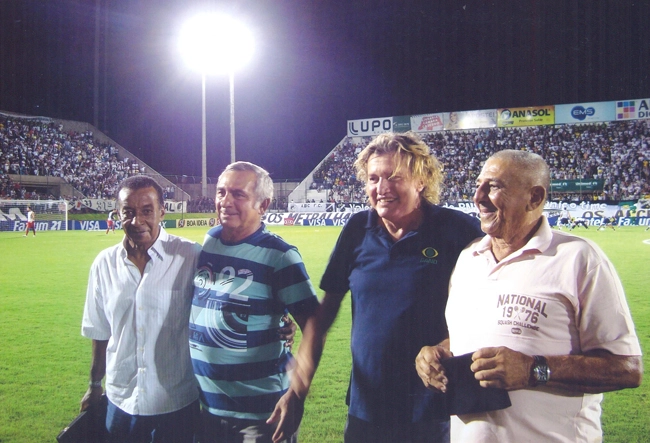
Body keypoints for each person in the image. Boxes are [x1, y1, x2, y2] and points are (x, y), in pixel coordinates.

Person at [416, 150, 642, 442]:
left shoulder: (579, 258)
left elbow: (626, 368)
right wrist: (439, 352)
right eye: (478, 185)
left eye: (494, 186)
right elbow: (470, 334)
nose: (478, 197)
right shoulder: (469, 257)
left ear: (534, 197)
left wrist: (534, 369)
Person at [292, 132, 483, 443]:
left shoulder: (458, 231)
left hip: (432, 409)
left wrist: (446, 345)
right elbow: (327, 310)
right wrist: (299, 381)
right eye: (373, 178)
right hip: (366, 411)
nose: (381, 189)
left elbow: (485, 309)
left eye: (394, 177)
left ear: (421, 180)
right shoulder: (356, 229)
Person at [189, 161, 319, 443]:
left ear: (264, 204)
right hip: (206, 410)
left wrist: (296, 394)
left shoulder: (281, 256)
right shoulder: (210, 241)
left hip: (262, 417)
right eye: (221, 192)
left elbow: (315, 327)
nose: (226, 201)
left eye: (238, 194)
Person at [80, 175, 202, 442]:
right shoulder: (104, 264)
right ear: (117, 214)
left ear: (162, 212)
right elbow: (99, 331)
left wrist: (277, 322)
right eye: (129, 212)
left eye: (147, 211)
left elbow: (224, 302)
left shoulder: (191, 256)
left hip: (176, 402)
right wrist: (93, 385)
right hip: (121, 401)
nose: (138, 221)